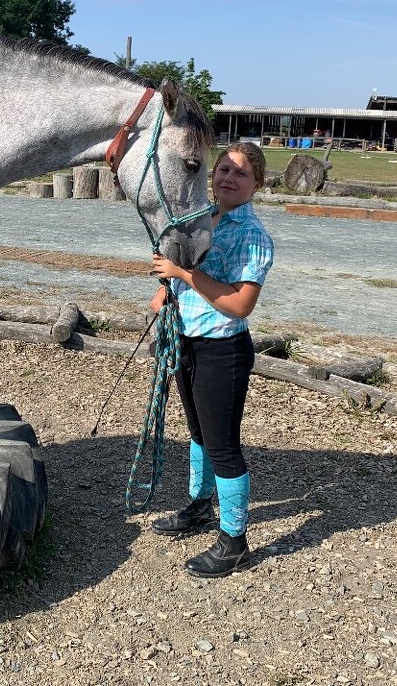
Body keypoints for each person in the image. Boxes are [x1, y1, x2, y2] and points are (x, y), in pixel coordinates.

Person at [149, 142, 274, 578]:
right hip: (188, 340)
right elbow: (184, 271)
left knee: (222, 445)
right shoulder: (201, 221)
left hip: (222, 349)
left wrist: (184, 275)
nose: (228, 178)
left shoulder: (251, 235)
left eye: (241, 173)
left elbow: (240, 305)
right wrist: (170, 288)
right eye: (223, 169)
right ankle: (200, 506)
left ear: (257, 184)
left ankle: (234, 540)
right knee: (199, 433)